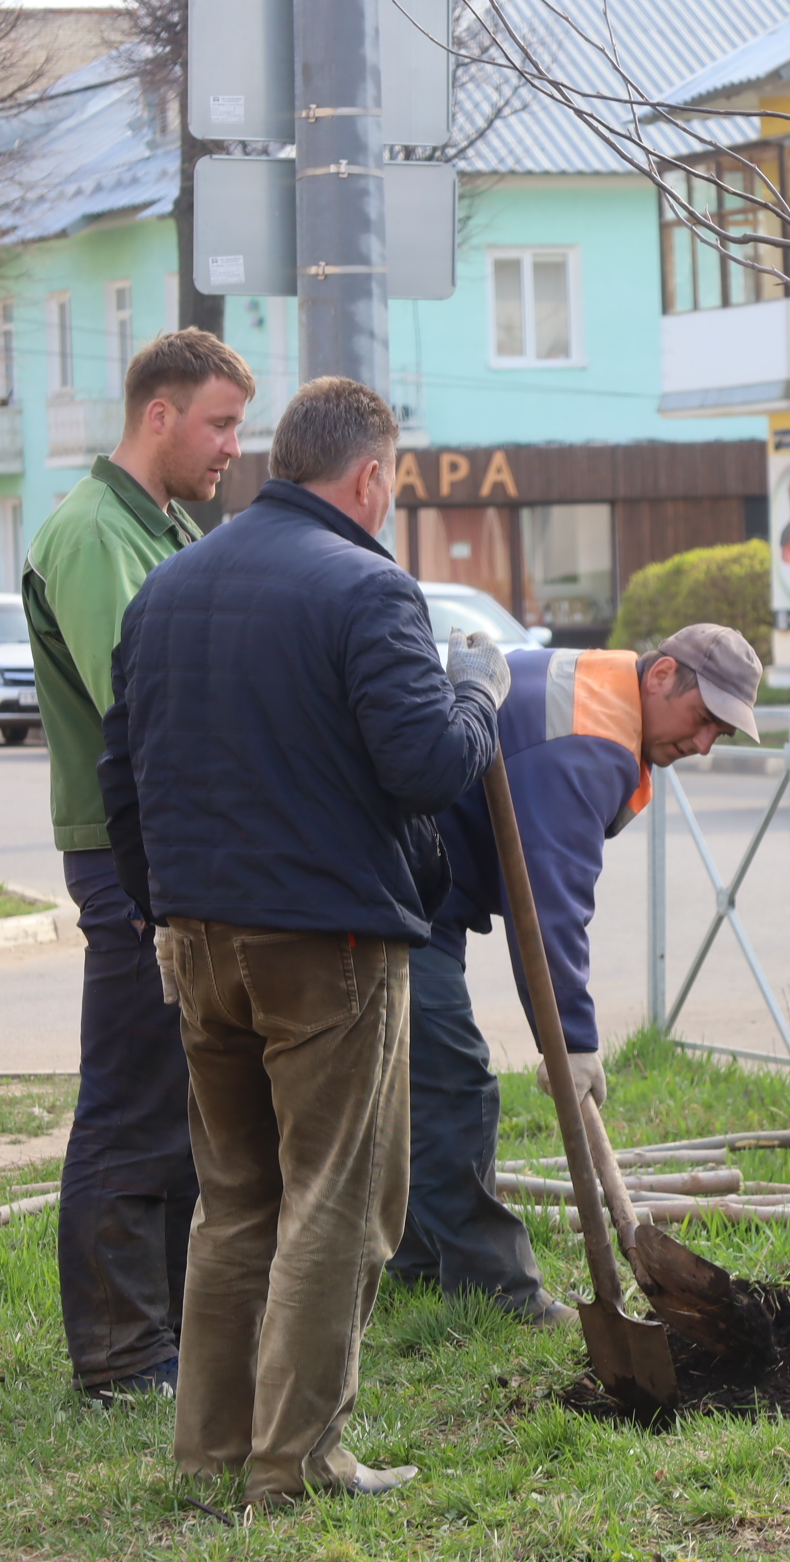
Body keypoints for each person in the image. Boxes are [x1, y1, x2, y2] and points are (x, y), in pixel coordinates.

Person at [100, 376, 506, 1506]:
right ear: (370, 476)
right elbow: (426, 766)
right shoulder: (369, 589)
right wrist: (479, 690)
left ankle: (212, 1449)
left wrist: (158, 909)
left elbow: (117, 774)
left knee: (235, 1197)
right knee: (338, 1196)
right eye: (393, 481)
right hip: (326, 942)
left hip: (196, 935)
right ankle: (299, 1459)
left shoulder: (168, 586)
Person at [392, 623, 764, 1320]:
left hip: (418, 872)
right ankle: (492, 1288)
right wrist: (571, 1038)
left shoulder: (600, 680)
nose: (705, 744)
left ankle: (414, 1261)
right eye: (703, 718)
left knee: (414, 1079)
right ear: (661, 677)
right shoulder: (591, 740)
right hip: (395, 882)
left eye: (723, 733)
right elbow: (547, 899)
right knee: (454, 1082)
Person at [22, 327, 254, 1407]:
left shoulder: (157, 526)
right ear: (157, 414)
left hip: (171, 847)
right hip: (127, 853)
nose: (229, 450)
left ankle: (163, 1341)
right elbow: (150, 705)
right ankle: (119, 1355)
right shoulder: (91, 533)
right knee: (130, 1098)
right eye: (218, 424)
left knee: (180, 1099)